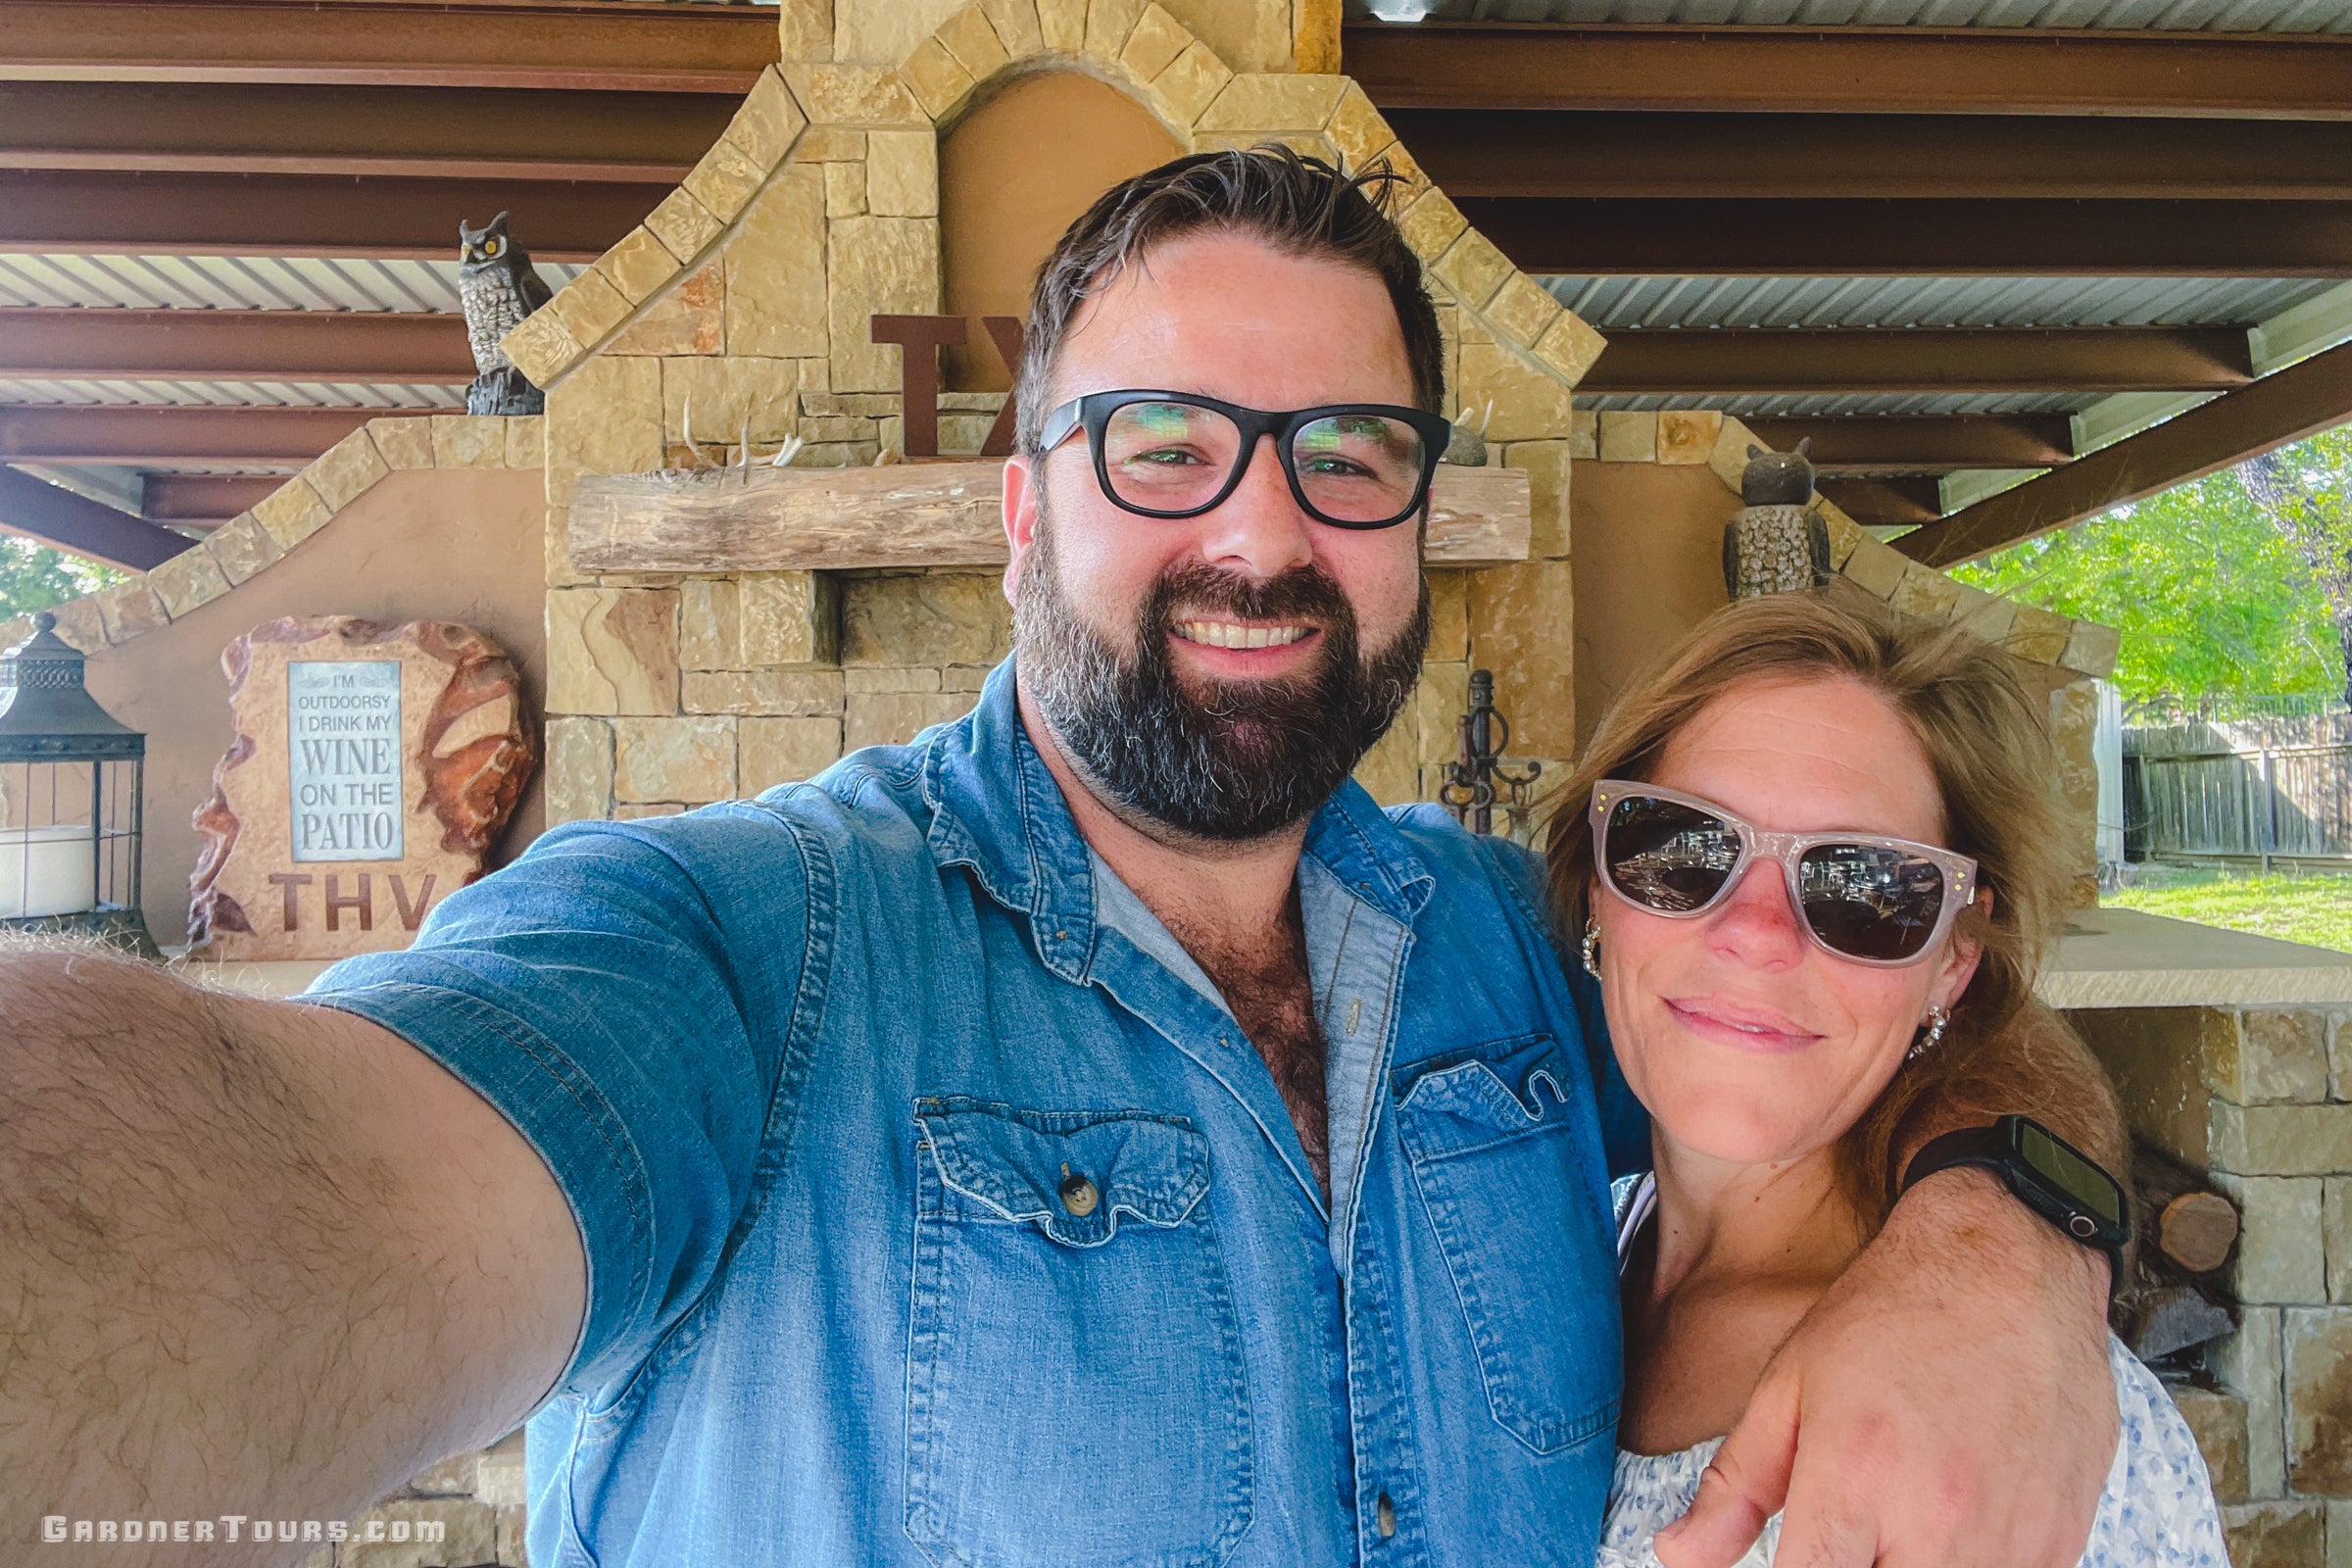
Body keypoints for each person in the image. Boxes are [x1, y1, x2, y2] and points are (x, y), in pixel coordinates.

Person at [4, 148, 2123, 1568]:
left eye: (1348, 456)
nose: (1265, 532)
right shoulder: (743, 940)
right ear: (1022, 506)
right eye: (1165, 444)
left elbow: (1890, 1017)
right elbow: (303, 1182)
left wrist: (2001, 1246)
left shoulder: (1515, 935)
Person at [1551, 591, 2225, 1568]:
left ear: (1953, 961)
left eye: (1867, 887)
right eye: (1683, 846)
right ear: (1597, 893)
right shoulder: (1562, 1244)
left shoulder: (2010, 1412)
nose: (1755, 933)